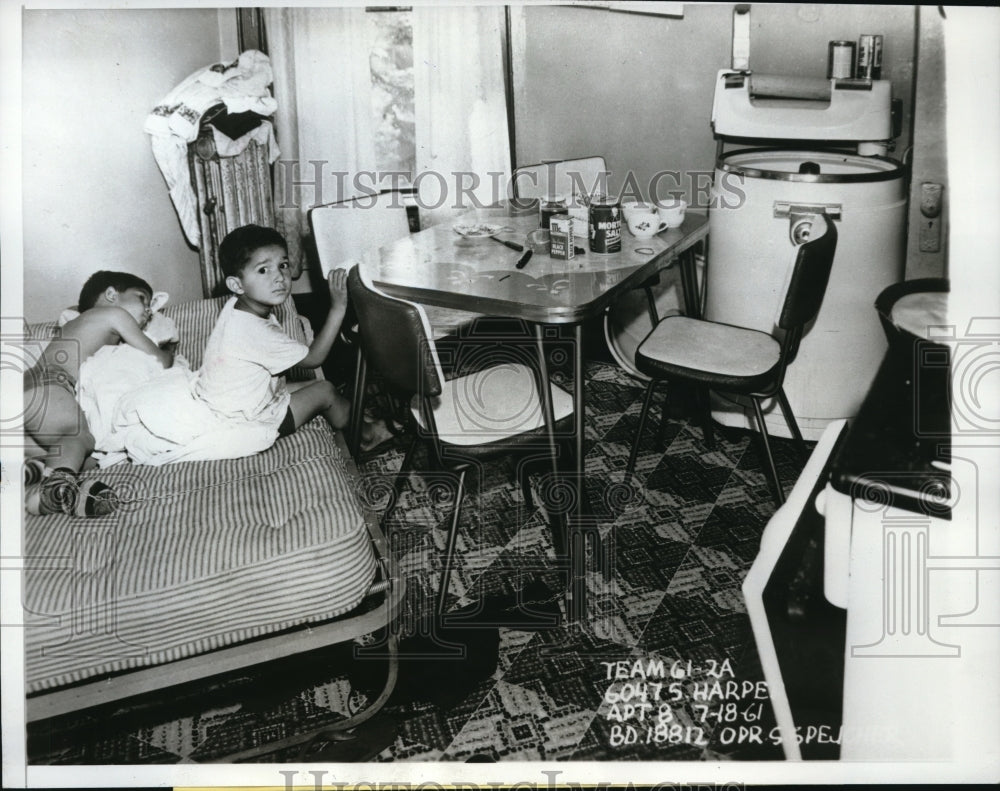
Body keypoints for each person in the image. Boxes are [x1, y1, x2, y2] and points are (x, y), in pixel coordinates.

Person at [195, 224, 389, 453]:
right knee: (325, 391)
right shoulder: (255, 331)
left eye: (283, 265)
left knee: (314, 385)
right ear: (236, 284)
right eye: (263, 270)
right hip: (247, 422)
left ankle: (352, 419)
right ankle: (368, 436)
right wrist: (338, 308)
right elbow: (314, 359)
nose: (279, 277)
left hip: (235, 402)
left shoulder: (236, 308)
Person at [24, 271, 173, 516]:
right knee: (79, 438)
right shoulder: (115, 315)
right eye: (142, 299)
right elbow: (158, 359)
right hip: (50, 384)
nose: (148, 311)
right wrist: (169, 349)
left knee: (82, 458)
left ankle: (32, 470)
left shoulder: (77, 324)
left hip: (22, 387)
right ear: (112, 294)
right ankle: (54, 492)